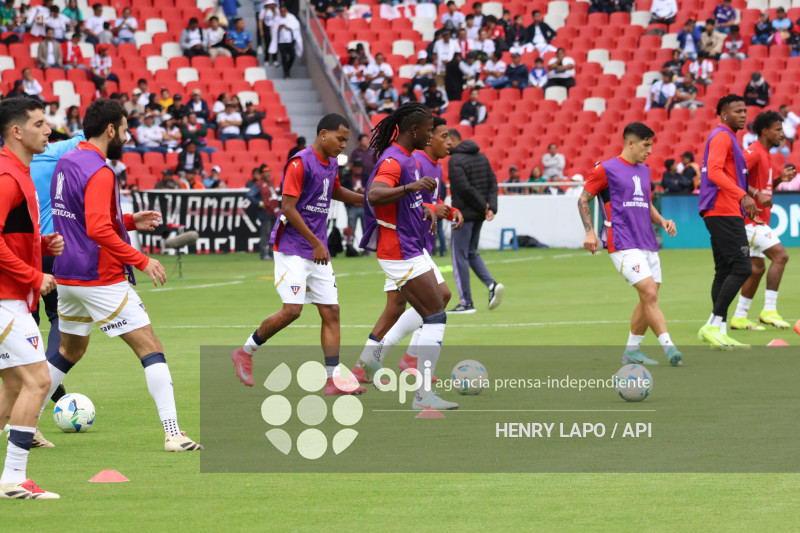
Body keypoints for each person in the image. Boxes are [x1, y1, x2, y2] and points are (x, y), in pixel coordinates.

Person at [43, 98, 202, 452]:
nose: (128, 137)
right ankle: (173, 433)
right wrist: (142, 260)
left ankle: (27, 426)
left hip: (66, 275)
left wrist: (130, 221)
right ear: (111, 129)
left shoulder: (66, 162)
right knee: (151, 348)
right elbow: (99, 230)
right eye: (126, 129)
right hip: (100, 277)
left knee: (69, 351)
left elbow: (81, 218)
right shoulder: (100, 171)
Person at [230, 114, 366, 395]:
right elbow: (288, 209)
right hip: (293, 247)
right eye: (340, 138)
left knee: (331, 311)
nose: (343, 145)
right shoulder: (300, 162)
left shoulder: (330, 164)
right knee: (292, 310)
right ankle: (244, 352)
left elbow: (336, 191)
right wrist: (317, 241)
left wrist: (368, 201)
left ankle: (333, 381)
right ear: (323, 134)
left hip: (317, 249)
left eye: (346, 140)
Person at [357, 104, 457, 410]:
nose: (431, 135)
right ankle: (422, 393)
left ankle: (366, 362)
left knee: (435, 296)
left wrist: (425, 208)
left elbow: (409, 200)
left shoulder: (409, 159)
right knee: (435, 315)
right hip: (400, 250)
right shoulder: (394, 160)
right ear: (415, 130)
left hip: (412, 246)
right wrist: (411, 186)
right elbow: (375, 194)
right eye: (429, 130)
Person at [0, 98, 64, 499]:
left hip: (11, 296)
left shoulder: (20, 172)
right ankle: (13, 480)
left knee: (10, 391)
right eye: (40, 124)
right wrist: (33, 274)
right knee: (39, 381)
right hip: (5, 298)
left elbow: (11, 234)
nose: (49, 130)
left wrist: (41, 246)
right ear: (17, 132)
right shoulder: (7, 176)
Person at [578, 122, 682, 366]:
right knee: (648, 292)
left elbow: (645, 205)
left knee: (650, 297)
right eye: (646, 145)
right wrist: (590, 232)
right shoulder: (606, 169)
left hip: (646, 240)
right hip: (622, 241)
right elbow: (583, 200)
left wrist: (662, 220)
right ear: (630, 143)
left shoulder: (644, 171)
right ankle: (670, 348)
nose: (650, 151)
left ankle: (631, 351)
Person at [696, 94, 759, 349]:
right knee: (743, 268)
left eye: (745, 111)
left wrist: (751, 194)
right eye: (737, 111)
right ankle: (712, 324)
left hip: (722, 210)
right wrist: (742, 195)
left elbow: (729, 174)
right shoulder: (722, 135)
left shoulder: (729, 137)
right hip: (723, 210)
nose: (743, 115)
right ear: (723, 114)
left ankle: (718, 331)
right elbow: (714, 172)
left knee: (723, 271)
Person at [732, 111, 797, 331]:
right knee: (781, 256)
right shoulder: (753, 152)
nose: (782, 133)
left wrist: (779, 180)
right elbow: (732, 176)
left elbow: (763, 189)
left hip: (759, 220)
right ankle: (769, 310)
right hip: (749, 221)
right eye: (778, 129)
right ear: (765, 131)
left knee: (757, 268)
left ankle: (740, 316)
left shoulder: (767, 154)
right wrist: (755, 193)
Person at [447, 129, 503, 314]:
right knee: (471, 253)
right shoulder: (481, 156)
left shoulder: (455, 160)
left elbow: (464, 188)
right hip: (478, 215)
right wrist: (490, 207)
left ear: (454, 140)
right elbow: (493, 182)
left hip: (463, 215)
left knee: (459, 257)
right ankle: (492, 285)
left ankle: (466, 303)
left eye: (447, 140)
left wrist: (483, 206)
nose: (445, 145)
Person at [248, 165, 280, 260]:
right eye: (266, 172)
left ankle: (271, 252)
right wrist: (259, 203)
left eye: (269, 171)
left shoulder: (270, 183)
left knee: (273, 233)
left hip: (274, 212)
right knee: (265, 233)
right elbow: (249, 194)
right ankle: (263, 253)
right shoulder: (258, 184)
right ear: (261, 174)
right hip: (265, 213)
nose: (268, 173)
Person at [269, 6, 303, 79]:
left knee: (292, 56)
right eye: (281, 11)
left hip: (289, 41)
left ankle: (287, 69)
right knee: (283, 57)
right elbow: (273, 28)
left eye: (284, 11)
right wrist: (279, 28)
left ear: (287, 11)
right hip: (281, 42)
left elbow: (296, 26)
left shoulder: (291, 17)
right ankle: (286, 73)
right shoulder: (277, 19)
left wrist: (289, 28)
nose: (282, 13)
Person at [258, 0, 278, 65]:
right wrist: (261, 30)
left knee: (274, 44)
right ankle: (266, 59)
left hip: (274, 29)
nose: (271, 5)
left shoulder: (276, 11)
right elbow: (260, 21)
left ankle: (275, 59)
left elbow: (278, 20)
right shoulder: (263, 11)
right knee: (267, 44)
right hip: (266, 28)